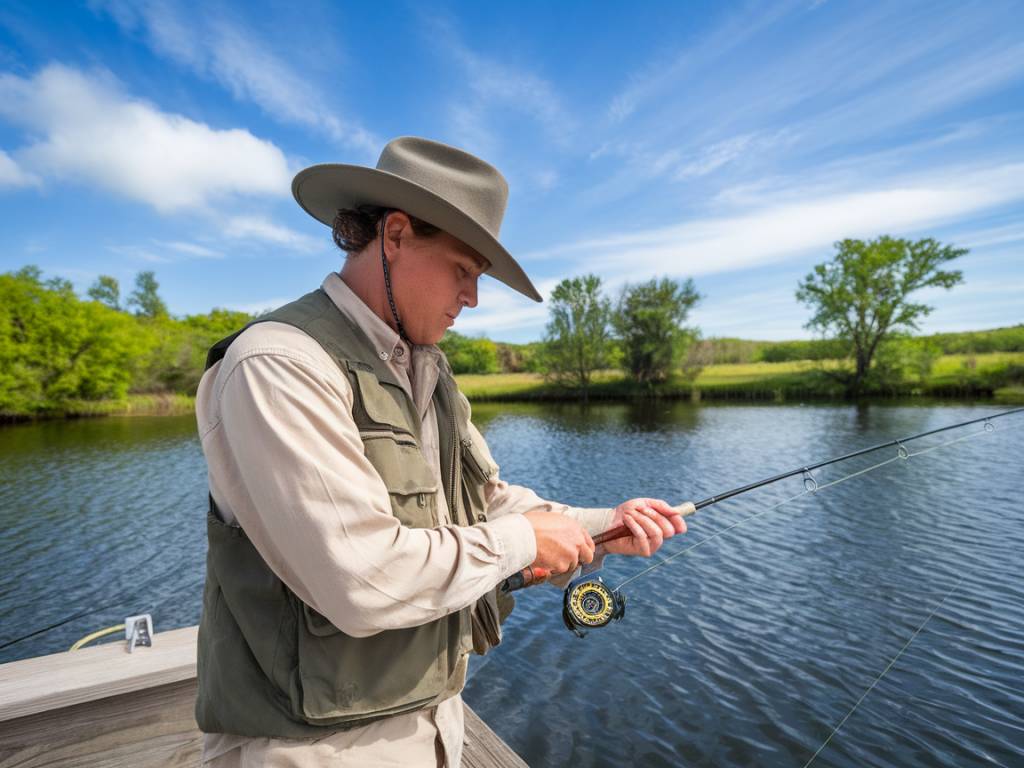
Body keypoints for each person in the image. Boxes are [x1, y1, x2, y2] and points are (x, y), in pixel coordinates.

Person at [194, 136, 687, 767]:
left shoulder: (427, 372)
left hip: (433, 729)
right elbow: (359, 577)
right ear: (394, 235)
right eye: (464, 271)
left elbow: (484, 500)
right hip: (308, 750)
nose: (474, 298)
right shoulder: (280, 363)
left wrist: (604, 526)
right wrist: (529, 542)